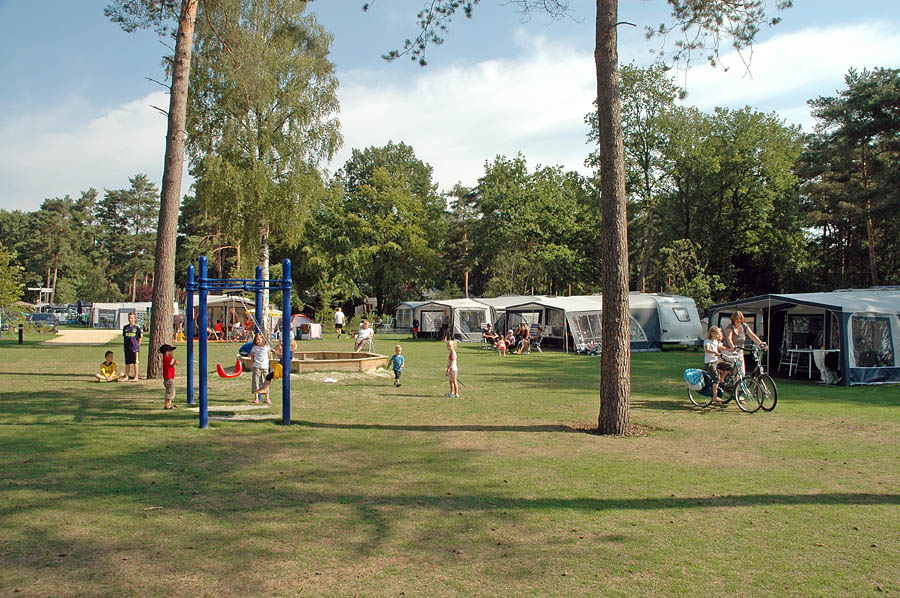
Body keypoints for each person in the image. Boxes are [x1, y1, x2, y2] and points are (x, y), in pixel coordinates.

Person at [723, 311, 767, 375]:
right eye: (737, 318)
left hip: (740, 349)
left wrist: (760, 343)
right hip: (729, 349)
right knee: (732, 367)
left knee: (741, 371)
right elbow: (729, 338)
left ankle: (738, 380)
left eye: (740, 318)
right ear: (733, 319)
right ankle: (722, 379)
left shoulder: (744, 326)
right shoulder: (730, 327)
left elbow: (752, 335)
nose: (738, 320)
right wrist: (732, 347)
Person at [704, 326, 731, 403]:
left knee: (729, 366)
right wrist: (715, 352)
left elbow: (720, 347)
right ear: (712, 333)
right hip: (710, 362)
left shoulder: (715, 341)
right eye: (717, 334)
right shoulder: (707, 341)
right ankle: (715, 397)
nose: (718, 336)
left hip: (716, 361)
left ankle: (721, 379)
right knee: (716, 379)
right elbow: (707, 350)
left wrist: (729, 349)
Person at [250, 332, 271, 404]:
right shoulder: (255, 348)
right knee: (256, 381)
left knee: (265, 382)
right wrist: (253, 361)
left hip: (265, 367)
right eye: (256, 340)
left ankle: (267, 398)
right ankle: (256, 398)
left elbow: (269, 355)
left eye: (259, 339)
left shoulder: (266, 347)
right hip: (257, 366)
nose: (257, 341)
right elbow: (252, 355)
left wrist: (267, 361)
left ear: (263, 339)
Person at [122, 312, 142, 381]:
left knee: (135, 363)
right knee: (127, 363)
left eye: (131, 318)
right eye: (129, 318)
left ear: (134, 319)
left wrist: (137, 345)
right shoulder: (125, 327)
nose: (130, 319)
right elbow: (124, 337)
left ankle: (136, 376)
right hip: (127, 348)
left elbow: (140, 337)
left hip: (134, 348)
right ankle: (126, 377)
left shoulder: (137, 327)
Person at [160, 344, 177, 409]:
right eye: (171, 351)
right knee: (170, 392)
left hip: (168, 378)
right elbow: (175, 362)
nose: (172, 352)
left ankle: (169, 404)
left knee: (170, 391)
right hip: (169, 378)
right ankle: (167, 405)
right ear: (167, 352)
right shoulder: (167, 359)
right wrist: (172, 357)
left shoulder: (166, 358)